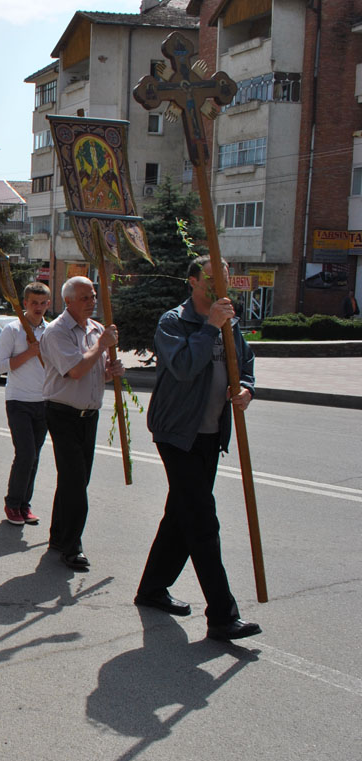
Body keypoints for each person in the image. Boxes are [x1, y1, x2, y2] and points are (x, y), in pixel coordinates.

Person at [135, 257, 261, 641]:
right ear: (193, 281)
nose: (220, 283)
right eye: (211, 276)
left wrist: (246, 389)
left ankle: (152, 588)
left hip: (210, 434)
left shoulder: (230, 323)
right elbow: (185, 368)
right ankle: (222, 615)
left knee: (181, 514)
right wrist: (210, 327)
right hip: (177, 434)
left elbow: (246, 363)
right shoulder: (174, 322)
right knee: (203, 520)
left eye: (225, 276)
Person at [38, 275, 125, 571]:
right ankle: (72, 546)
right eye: (85, 298)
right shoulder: (57, 331)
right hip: (63, 412)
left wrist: (111, 371)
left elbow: (94, 372)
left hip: (89, 415)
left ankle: (58, 535)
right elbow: (75, 370)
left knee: (75, 479)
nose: (92, 302)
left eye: (93, 296)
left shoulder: (96, 329)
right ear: (68, 301)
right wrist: (101, 346)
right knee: (75, 481)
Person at [0, 282, 51, 526]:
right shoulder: (13, 330)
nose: (38, 307)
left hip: (44, 401)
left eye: (43, 303)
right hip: (18, 401)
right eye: (34, 302)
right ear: (25, 303)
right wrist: (29, 352)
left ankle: (25, 504)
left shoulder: (51, 331)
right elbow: (0, 366)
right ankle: (12, 503)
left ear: (48, 304)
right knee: (25, 454)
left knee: (35, 456)